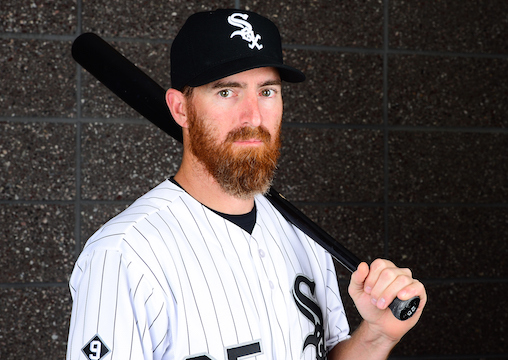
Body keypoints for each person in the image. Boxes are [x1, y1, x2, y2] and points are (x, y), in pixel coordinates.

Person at [66, 9, 426, 360]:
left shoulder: (304, 238)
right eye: (227, 92)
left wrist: (377, 335)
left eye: (267, 91)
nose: (253, 116)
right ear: (180, 109)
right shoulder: (125, 254)